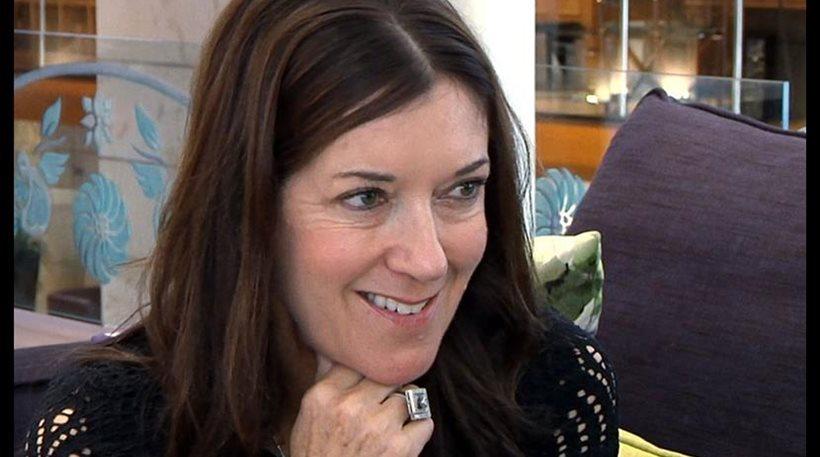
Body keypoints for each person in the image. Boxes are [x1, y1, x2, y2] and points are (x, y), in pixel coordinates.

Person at [23, 1, 619, 456]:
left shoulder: (550, 385)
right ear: (251, 206)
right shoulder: (107, 426)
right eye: (366, 197)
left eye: (462, 189)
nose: (428, 261)